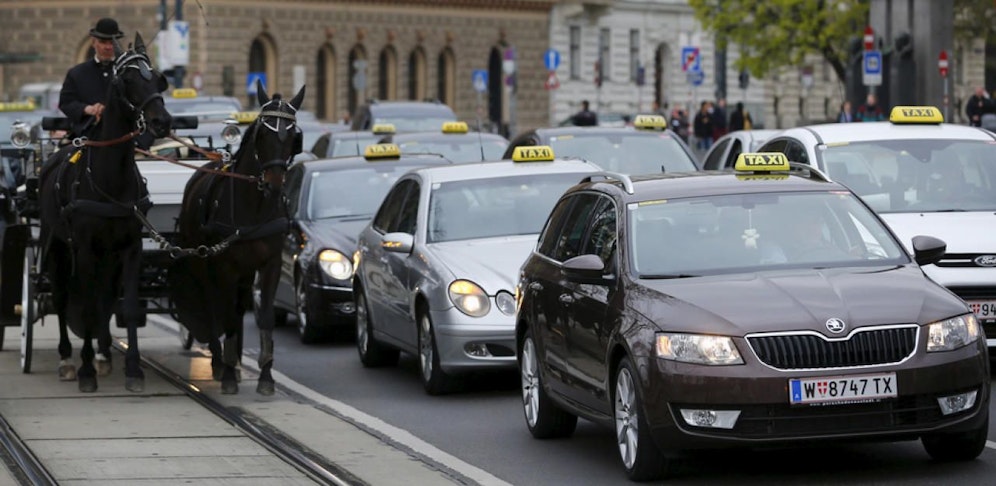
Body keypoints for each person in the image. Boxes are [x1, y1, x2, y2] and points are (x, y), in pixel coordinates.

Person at [59, 17, 124, 139]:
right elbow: (66, 103)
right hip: (88, 135)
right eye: (103, 42)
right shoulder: (76, 73)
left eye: (112, 43)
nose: (108, 47)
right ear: (94, 42)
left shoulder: (126, 71)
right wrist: (87, 109)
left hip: (123, 136)